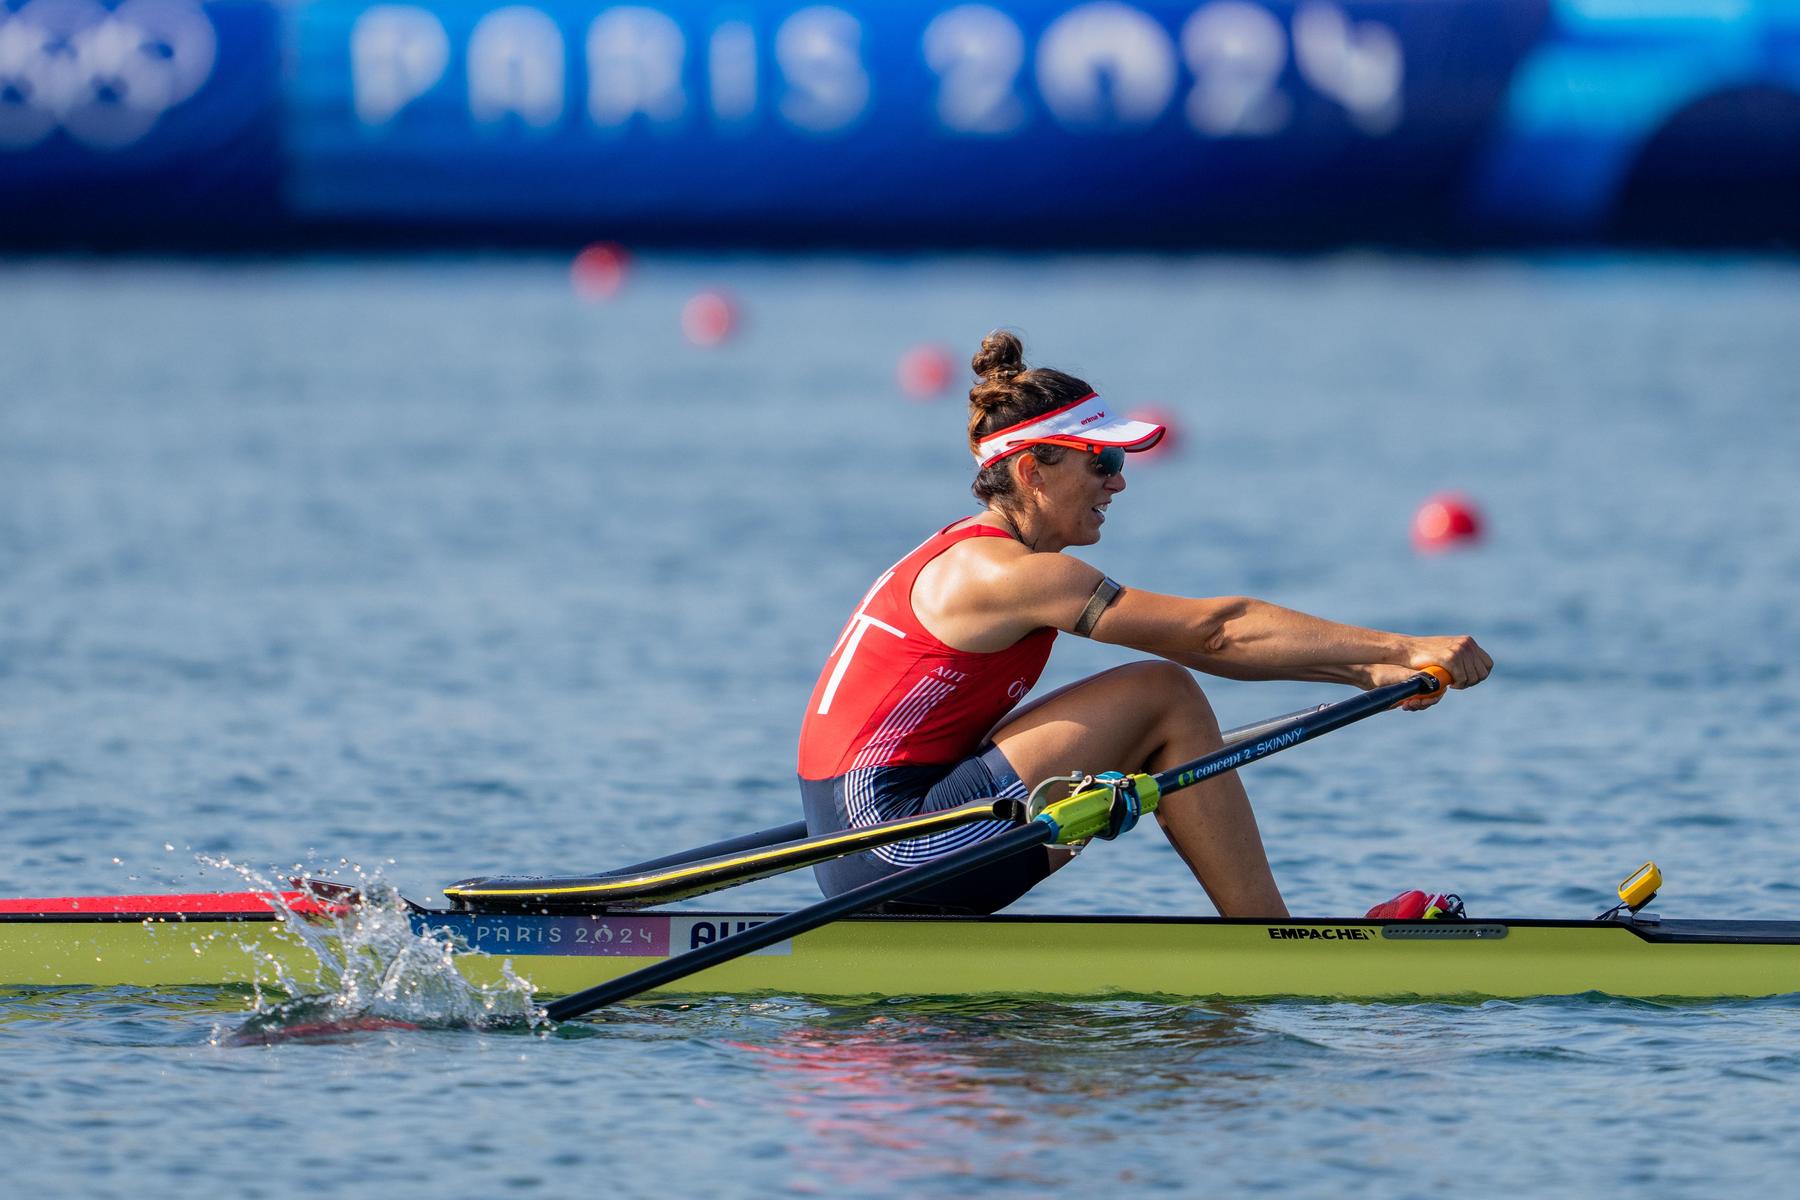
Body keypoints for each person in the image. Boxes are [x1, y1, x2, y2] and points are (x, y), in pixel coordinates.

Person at [796, 331, 1491, 917]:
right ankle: (1274, 943)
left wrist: (1367, 670)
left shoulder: (967, 554)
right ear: (1034, 469)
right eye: (1104, 461)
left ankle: (1265, 934)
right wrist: (1399, 649)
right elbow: (1214, 634)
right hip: (891, 849)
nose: (1118, 483)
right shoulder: (1008, 574)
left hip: (870, 838)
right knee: (1164, 693)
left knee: (1157, 706)